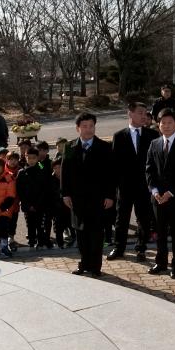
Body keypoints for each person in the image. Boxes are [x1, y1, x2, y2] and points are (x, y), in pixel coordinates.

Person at [61, 112, 116, 277]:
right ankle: (83, 264)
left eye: (91, 126)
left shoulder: (105, 147)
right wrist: (65, 194)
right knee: (81, 234)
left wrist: (110, 196)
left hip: (98, 199)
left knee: (96, 235)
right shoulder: (70, 147)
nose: (88, 129)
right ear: (78, 128)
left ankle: (95, 267)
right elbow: (65, 172)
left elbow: (111, 175)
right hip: (77, 199)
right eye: (84, 126)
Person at [145, 108, 175, 279]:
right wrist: (155, 190)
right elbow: (149, 170)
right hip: (157, 198)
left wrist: (171, 192)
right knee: (160, 232)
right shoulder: (154, 144)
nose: (166, 126)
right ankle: (161, 262)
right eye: (162, 123)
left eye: (169, 122)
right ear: (158, 125)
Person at [109, 102, 154, 262]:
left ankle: (141, 248)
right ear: (130, 114)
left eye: (145, 113)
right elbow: (114, 164)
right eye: (140, 112)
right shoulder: (119, 136)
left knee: (144, 219)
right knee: (121, 219)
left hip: (145, 186)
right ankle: (118, 248)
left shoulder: (152, 135)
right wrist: (113, 189)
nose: (144, 116)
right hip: (125, 186)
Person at [17, 147, 50, 249]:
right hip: (27, 204)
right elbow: (19, 190)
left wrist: (37, 204)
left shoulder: (41, 169)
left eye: (34, 158)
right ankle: (31, 242)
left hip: (40, 203)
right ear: (25, 158)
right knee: (30, 224)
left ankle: (41, 242)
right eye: (29, 158)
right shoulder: (22, 172)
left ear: (37, 158)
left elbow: (45, 188)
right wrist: (27, 204)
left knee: (40, 224)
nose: (31, 160)